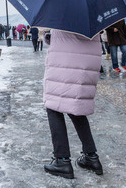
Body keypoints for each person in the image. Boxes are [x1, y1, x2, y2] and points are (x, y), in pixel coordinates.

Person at [43, 30, 103, 179]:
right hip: (84, 67)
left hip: (65, 66)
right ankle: (91, 157)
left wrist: (48, 34)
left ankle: (62, 160)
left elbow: (63, 41)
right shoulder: (93, 17)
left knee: (53, 107)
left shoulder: (63, 14)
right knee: (76, 107)